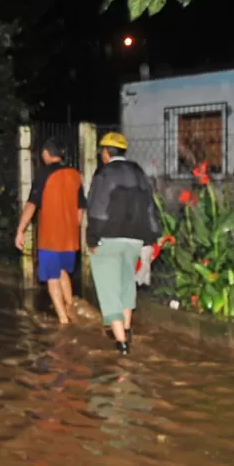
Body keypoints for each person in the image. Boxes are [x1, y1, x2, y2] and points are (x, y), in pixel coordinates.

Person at [86, 131, 161, 355]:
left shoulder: (104, 174)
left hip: (108, 238)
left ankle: (122, 346)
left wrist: (92, 237)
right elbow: (150, 206)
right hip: (135, 240)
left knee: (109, 291)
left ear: (107, 152)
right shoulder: (138, 172)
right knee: (127, 283)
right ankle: (126, 331)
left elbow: (97, 209)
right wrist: (151, 237)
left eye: (102, 151)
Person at [15, 138, 86, 325]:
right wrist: (73, 227)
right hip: (70, 238)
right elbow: (81, 209)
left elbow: (32, 205)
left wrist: (20, 230)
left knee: (52, 278)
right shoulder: (75, 175)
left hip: (50, 238)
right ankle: (70, 308)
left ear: (46, 154)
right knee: (63, 272)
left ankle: (63, 321)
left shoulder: (43, 175)